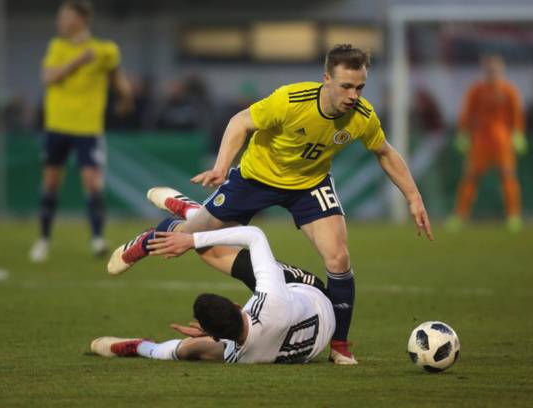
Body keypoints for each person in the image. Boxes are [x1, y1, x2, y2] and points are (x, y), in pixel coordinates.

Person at [109, 44, 433, 364]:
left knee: (339, 258)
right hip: (256, 179)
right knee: (192, 236)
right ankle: (152, 236)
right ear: (327, 79)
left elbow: (385, 152)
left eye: (359, 87)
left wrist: (414, 197)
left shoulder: (362, 116)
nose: (353, 95)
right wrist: (222, 166)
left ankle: (341, 345)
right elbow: (240, 122)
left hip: (309, 185)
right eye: (346, 86)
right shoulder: (291, 100)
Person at [92, 225, 335, 364]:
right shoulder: (272, 297)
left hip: (309, 338)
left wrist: (215, 332)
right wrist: (192, 240)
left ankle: (140, 347)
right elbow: (255, 235)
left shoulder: (237, 356)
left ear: (216, 335)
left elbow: (228, 338)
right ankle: (183, 222)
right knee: (209, 249)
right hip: (316, 297)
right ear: (235, 304)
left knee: (192, 349)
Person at [29, 0, 133, 262]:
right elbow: (48, 77)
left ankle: (97, 239)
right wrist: (79, 60)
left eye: (65, 16)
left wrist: (125, 96)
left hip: (88, 128)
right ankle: (43, 240)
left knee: (92, 182)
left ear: (81, 19)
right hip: (57, 125)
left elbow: (116, 76)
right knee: (51, 182)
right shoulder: (58, 47)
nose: (60, 21)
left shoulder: (104, 50)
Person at [446, 54, 527, 232]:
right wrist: (463, 133)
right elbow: (467, 113)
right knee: (470, 178)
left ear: (501, 71)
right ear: (485, 71)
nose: (493, 73)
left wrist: (518, 134)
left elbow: (517, 115)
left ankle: (513, 217)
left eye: (496, 70)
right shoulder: (477, 90)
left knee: (508, 176)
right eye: (490, 70)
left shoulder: (509, 91)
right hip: (481, 140)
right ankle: (460, 216)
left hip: (502, 141)